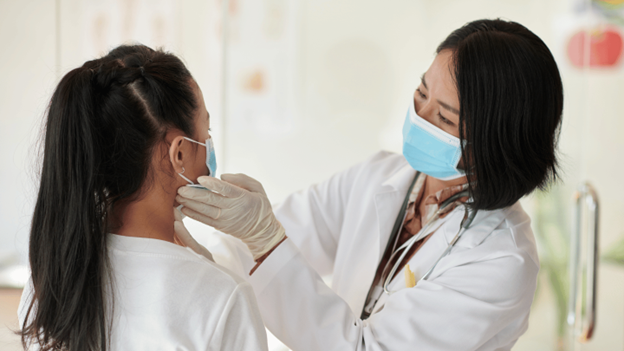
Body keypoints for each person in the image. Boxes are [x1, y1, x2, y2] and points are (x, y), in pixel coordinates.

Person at [176, 19, 563, 350]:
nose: (419, 117)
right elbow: (273, 243)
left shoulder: (499, 261)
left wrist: (263, 237)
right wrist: (197, 260)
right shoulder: (380, 177)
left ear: (498, 142)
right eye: (421, 93)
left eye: (444, 118)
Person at [18, 45, 267, 351]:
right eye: (207, 129)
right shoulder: (223, 300)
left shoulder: (49, 283)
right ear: (179, 153)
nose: (210, 145)